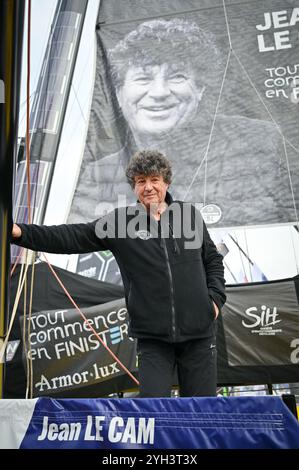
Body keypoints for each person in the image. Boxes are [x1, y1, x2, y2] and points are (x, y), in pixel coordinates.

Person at [12, 150, 226, 398]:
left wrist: (215, 301)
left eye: (154, 180)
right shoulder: (121, 223)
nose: (148, 187)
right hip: (153, 339)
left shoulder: (188, 216)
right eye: (140, 181)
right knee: (153, 414)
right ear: (134, 187)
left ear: (166, 182)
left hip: (200, 334)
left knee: (201, 413)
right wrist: (20, 232)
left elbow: (212, 260)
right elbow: (71, 236)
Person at [68, 18, 296, 228]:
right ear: (118, 93)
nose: (159, 92)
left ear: (200, 89)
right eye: (143, 78)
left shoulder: (259, 141)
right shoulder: (98, 174)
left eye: (177, 76)